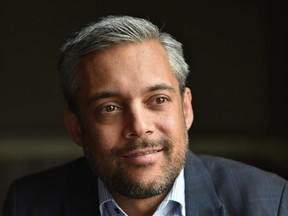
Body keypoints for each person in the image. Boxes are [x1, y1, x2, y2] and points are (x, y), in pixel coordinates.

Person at [3, 15, 288, 216]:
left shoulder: (271, 200)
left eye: (159, 100)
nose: (139, 127)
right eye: (110, 108)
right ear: (76, 127)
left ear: (185, 109)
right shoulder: (28, 203)